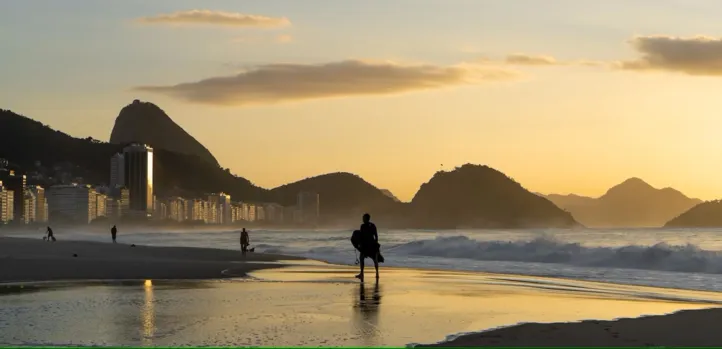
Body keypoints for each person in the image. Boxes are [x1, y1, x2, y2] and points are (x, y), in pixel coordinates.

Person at [356, 213, 381, 281]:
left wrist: (359, 244)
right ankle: (376, 273)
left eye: (364, 218)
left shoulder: (364, 226)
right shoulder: (371, 225)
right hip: (370, 245)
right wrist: (375, 244)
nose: (363, 219)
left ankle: (365, 273)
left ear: (367, 219)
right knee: (372, 259)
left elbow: (361, 236)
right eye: (363, 218)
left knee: (365, 258)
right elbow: (376, 236)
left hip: (368, 245)